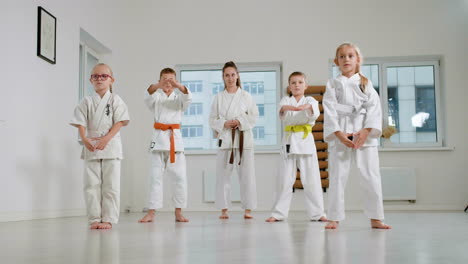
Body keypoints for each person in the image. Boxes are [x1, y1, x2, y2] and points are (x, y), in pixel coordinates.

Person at [323, 43, 391, 229]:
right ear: (336, 61)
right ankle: (334, 217)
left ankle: (376, 217)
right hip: (341, 133)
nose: (346, 59)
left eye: (350, 56)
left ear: (357, 59)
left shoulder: (365, 83)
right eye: (342, 56)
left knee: (371, 175)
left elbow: (374, 109)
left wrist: (366, 131)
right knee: (337, 176)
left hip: (364, 133)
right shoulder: (332, 84)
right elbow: (329, 110)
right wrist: (338, 134)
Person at [70, 63, 130, 229]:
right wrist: (84, 139)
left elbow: (120, 122)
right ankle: (94, 218)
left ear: (111, 80)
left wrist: (107, 139)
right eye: (95, 76)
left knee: (111, 185)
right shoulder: (86, 101)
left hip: (111, 145)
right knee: (91, 185)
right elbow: (80, 123)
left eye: (104, 76)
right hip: (92, 145)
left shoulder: (115, 100)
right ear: (91, 80)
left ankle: (109, 218)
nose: (99, 79)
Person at [266, 72, 327, 222]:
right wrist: (291, 108)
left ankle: (318, 213)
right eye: (293, 83)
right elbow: (283, 111)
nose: (297, 85)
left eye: (300, 82)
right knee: (284, 179)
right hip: (289, 141)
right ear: (289, 86)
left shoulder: (310, 100)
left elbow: (313, 112)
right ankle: (278, 213)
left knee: (311, 179)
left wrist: (305, 107)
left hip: (306, 142)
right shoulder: (285, 100)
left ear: (306, 86)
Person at [138, 68, 191, 223]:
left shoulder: (179, 98)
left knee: (179, 178)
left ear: (175, 82)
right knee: (154, 178)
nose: (168, 82)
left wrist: (178, 85)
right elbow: (147, 94)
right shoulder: (156, 97)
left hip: (175, 141)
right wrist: (158, 85)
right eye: (165, 79)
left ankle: (178, 212)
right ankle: (151, 212)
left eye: (171, 80)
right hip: (158, 140)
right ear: (160, 81)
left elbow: (188, 97)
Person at [209, 61, 258, 219]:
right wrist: (224, 123)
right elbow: (211, 119)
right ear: (223, 78)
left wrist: (239, 122)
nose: (230, 78)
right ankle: (224, 209)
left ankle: (248, 209)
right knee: (223, 176)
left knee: (247, 176)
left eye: (233, 75)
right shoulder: (218, 97)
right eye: (227, 75)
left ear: (237, 76)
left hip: (244, 141)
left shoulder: (246, 96)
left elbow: (254, 116)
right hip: (226, 141)